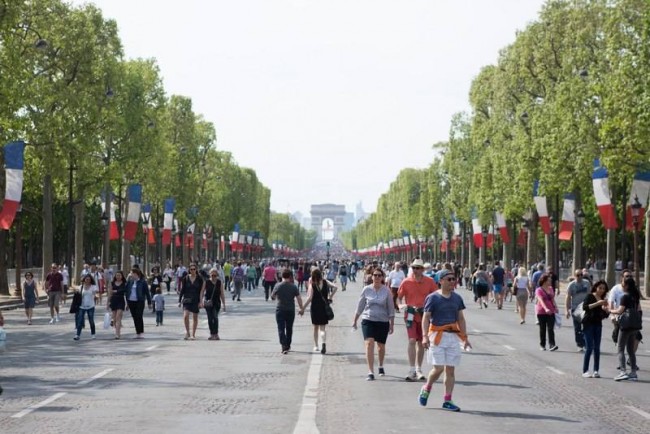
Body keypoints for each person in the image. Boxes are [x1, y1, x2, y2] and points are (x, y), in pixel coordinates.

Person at [418, 269, 471, 412]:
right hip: (437, 335)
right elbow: (426, 317)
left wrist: (464, 338)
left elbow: (460, 318)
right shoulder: (432, 298)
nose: (452, 282)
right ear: (440, 281)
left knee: (450, 370)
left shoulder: (457, 298)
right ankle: (427, 387)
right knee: (439, 368)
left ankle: (447, 400)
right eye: (449, 279)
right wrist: (424, 336)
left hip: (452, 336)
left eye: (454, 279)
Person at [352, 267, 395, 380]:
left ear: (382, 278)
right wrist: (355, 319)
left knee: (380, 346)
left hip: (382, 321)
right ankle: (370, 371)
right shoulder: (366, 289)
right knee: (369, 343)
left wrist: (392, 323)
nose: (376, 277)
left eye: (379, 275)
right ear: (371, 277)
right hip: (368, 319)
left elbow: (391, 308)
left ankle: (380, 365)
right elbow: (360, 305)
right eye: (375, 275)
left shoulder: (387, 291)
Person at [397, 258, 437, 381]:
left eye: (418, 268)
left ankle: (419, 369)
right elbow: (398, 297)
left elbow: (436, 296)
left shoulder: (430, 282)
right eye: (414, 267)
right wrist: (400, 305)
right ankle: (411, 369)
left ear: (423, 269)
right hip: (410, 314)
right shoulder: (406, 281)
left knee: (421, 342)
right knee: (412, 340)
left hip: (424, 314)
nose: (415, 270)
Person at [611, 277, 642, 381]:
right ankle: (633, 372)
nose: (622, 285)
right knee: (630, 351)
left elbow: (620, 310)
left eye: (623, 283)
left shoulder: (625, 297)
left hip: (626, 325)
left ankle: (623, 371)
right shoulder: (635, 296)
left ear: (627, 285)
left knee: (620, 348)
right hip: (634, 325)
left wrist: (610, 310)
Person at [300, 268, 338, 354]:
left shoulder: (313, 284)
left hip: (315, 307)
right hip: (323, 307)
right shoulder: (325, 282)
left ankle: (316, 346)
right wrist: (330, 297)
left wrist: (303, 308)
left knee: (315, 328)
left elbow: (310, 298)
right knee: (322, 328)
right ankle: (323, 343)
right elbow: (335, 287)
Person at [581, 280, 609, 378]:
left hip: (598, 324)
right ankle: (585, 370)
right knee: (589, 348)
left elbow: (604, 315)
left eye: (603, 288)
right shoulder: (590, 296)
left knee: (597, 348)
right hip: (588, 324)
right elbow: (585, 307)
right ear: (596, 287)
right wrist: (598, 303)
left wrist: (606, 310)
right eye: (600, 288)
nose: (601, 290)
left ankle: (596, 370)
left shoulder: (603, 299)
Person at [271, 269, 304, 354]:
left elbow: (273, 297)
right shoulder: (293, 286)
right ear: (290, 276)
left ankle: (283, 345)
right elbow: (299, 298)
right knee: (289, 328)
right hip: (290, 309)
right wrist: (301, 308)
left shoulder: (277, 286)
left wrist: (276, 297)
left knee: (281, 328)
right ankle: (288, 345)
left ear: (282, 276)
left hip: (280, 309)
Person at [565, 269, 590, 352]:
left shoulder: (586, 283)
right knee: (577, 327)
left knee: (587, 327)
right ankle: (579, 344)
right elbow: (568, 297)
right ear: (575, 276)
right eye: (577, 275)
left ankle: (586, 344)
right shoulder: (571, 285)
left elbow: (589, 294)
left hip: (586, 308)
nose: (579, 277)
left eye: (581, 275)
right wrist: (567, 309)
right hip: (576, 308)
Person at [178, 263, 205, 340]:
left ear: (196, 270)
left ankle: (193, 334)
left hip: (195, 300)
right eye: (191, 269)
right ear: (189, 270)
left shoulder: (199, 279)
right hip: (187, 299)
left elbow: (201, 291)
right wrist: (179, 301)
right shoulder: (186, 278)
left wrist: (201, 301)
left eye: (194, 269)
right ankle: (187, 333)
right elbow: (182, 290)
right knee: (185, 316)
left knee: (195, 317)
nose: (193, 271)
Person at [125, 267, 151, 339]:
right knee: (134, 317)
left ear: (136, 274)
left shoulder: (143, 282)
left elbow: (147, 293)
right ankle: (137, 332)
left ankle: (141, 331)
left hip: (140, 301)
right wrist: (127, 303)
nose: (131, 275)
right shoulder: (130, 282)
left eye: (132, 273)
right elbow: (126, 291)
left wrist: (149, 302)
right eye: (130, 273)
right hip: (131, 301)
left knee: (139, 316)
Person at [535, 274, 558, 351]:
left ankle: (552, 345)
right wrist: (546, 309)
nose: (551, 281)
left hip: (551, 311)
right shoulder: (539, 290)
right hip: (541, 311)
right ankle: (542, 345)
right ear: (544, 281)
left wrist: (556, 307)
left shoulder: (551, 289)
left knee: (551, 328)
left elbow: (552, 299)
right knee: (543, 328)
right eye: (549, 280)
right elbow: (541, 300)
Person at [74, 274, 99, 341]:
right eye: (86, 279)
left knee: (91, 320)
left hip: (90, 306)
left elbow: (95, 293)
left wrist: (96, 296)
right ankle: (77, 335)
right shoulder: (81, 287)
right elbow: (78, 295)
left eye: (89, 279)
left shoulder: (93, 287)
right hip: (82, 306)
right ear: (84, 280)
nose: (87, 280)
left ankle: (93, 334)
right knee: (80, 321)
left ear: (91, 280)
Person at [204, 268, 226, 340]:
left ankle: (216, 334)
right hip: (208, 303)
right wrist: (200, 301)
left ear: (217, 275)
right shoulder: (206, 282)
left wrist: (224, 304)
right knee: (210, 319)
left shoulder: (219, 282)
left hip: (216, 303)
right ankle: (211, 333)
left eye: (215, 275)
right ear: (210, 275)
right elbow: (201, 292)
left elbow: (222, 294)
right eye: (212, 275)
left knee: (215, 317)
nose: (213, 277)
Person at [107, 271, 127, 339]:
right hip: (113, 300)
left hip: (121, 300)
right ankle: (115, 327)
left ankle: (117, 334)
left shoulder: (124, 283)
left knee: (118, 317)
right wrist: (108, 303)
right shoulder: (112, 283)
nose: (118, 277)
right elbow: (110, 293)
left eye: (119, 275)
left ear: (122, 276)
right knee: (115, 318)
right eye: (117, 275)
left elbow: (124, 291)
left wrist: (116, 291)